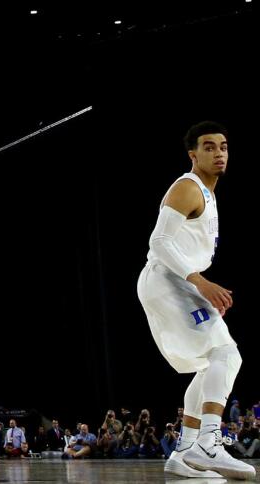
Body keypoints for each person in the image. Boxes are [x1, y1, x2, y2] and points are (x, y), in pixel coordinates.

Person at [137, 122, 252, 479]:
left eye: (224, 146)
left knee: (209, 366)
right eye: (209, 147)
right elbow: (159, 242)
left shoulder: (207, 192)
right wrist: (199, 283)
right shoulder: (188, 187)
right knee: (227, 354)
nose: (219, 153)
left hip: (172, 282)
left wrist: (196, 284)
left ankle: (185, 452)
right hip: (167, 281)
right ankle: (208, 442)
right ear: (193, 154)